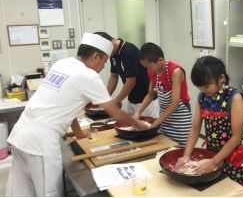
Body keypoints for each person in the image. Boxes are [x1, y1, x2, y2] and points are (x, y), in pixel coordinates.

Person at [5, 33, 149, 197]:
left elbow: (69, 105)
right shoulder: (89, 76)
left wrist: (79, 133)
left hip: (20, 134)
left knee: (24, 191)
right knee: (47, 192)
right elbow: (116, 113)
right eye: (104, 61)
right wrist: (139, 124)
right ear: (95, 56)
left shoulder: (62, 63)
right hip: (40, 143)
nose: (103, 67)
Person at [176, 56, 243, 193]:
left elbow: (236, 137)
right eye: (200, 88)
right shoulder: (202, 98)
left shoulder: (234, 97)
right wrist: (186, 155)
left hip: (235, 157)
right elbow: (195, 128)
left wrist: (214, 161)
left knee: (235, 191)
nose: (204, 91)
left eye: (207, 86)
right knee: (216, 190)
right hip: (213, 154)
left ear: (221, 78)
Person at [133, 42, 192, 147]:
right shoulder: (152, 72)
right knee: (165, 145)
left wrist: (155, 123)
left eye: (149, 67)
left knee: (180, 148)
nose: (148, 70)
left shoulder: (175, 71)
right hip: (165, 116)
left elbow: (174, 103)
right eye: (145, 67)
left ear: (160, 60)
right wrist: (138, 112)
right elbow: (150, 94)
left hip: (180, 116)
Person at [96, 32, 159, 118]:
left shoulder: (129, 52)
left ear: (109, 43)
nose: (105, 55)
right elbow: (114, 77)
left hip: (146, 101)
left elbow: (130, 82)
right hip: (132, 99)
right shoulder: (113, 53)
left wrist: (115, 102)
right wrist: (105, 98)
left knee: (146, 128)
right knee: (131, 127)